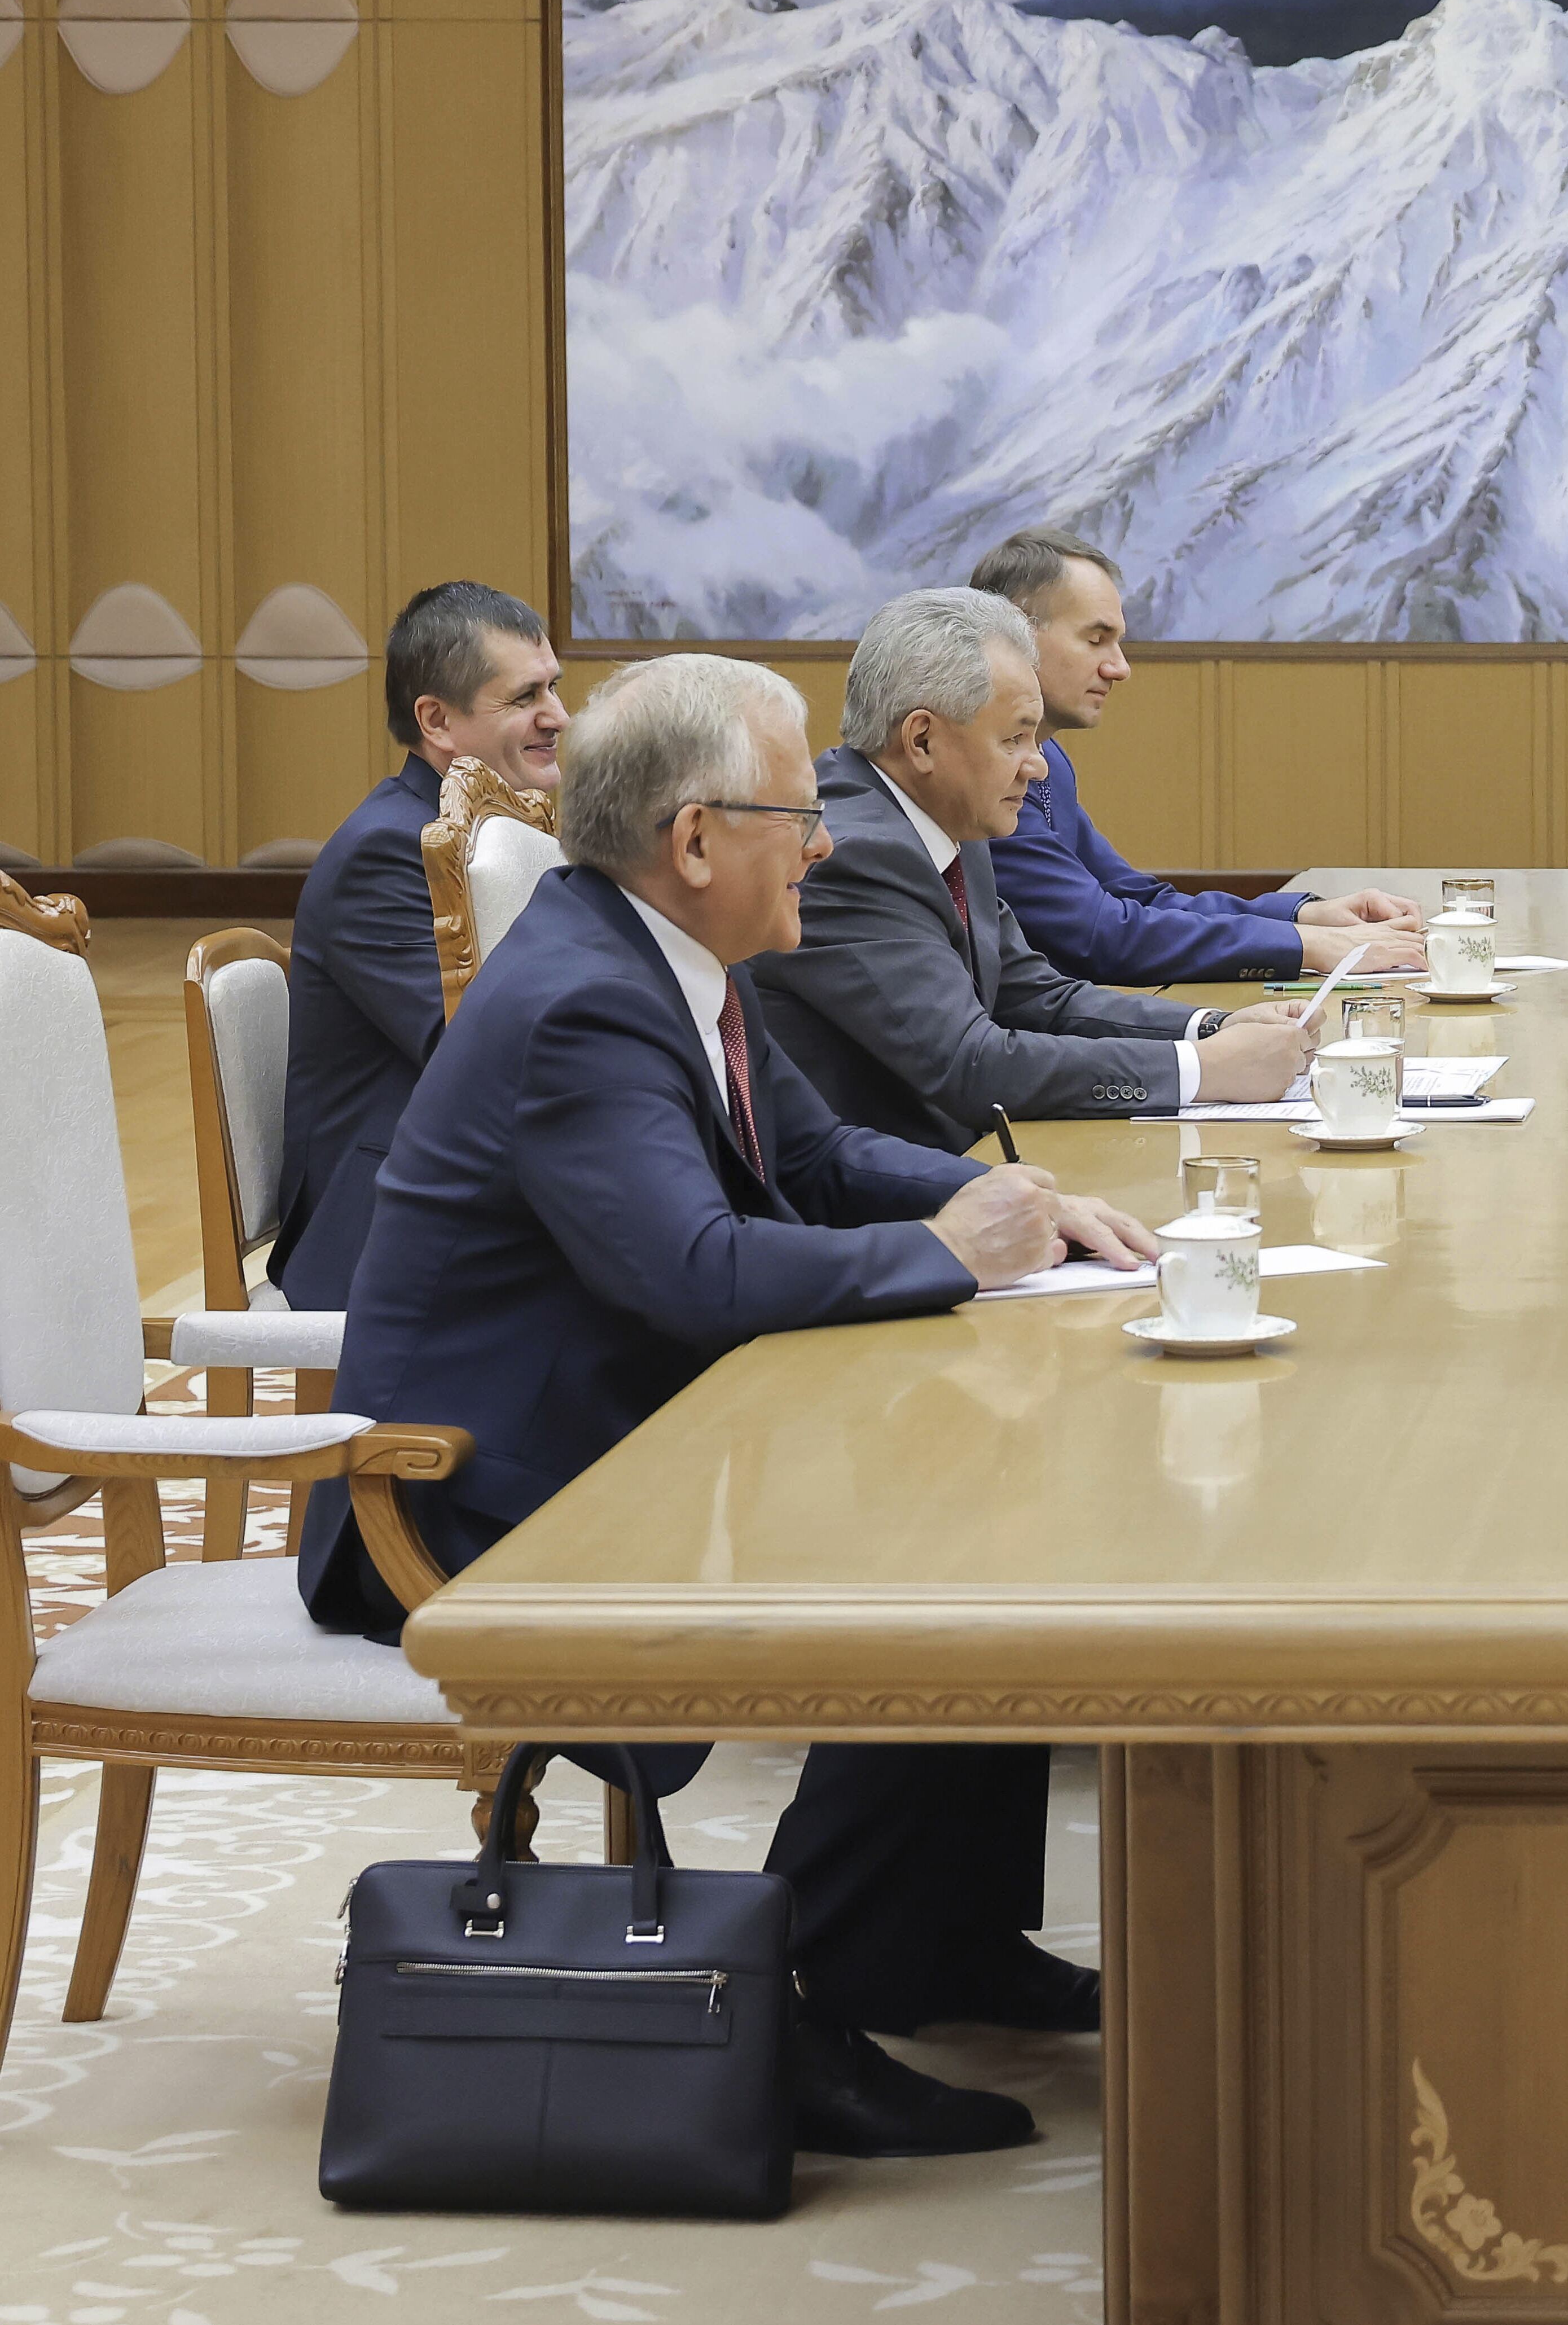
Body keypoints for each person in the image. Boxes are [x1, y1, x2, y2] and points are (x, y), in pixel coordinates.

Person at [302, 653, 1161, 2156]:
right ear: (696, 841)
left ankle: (930, 1942)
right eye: (798, 814)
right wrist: (942, 1256)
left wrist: (1012, 1197)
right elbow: (694, 1273)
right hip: (477, 1499)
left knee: (980, 1496)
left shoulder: (664, 954)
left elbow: (819, 1160)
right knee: (942, 1541)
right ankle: (807, 1991)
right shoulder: (586, 999)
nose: (827, 839)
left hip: (610, 1434)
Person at [750, 587, 1316, 1150]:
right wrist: (1200, 1070)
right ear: (921, 739)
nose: (1038, 764)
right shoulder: (856, 854)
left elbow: (1037, 997)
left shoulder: (948, 820)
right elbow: (972, 1065)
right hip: (885, 1201)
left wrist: (1213, 1030)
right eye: (1015, 738)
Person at [265, 583, 569, 1322]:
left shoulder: (502, 836)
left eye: (554, 687)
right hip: (382, 1220)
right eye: (525, 695)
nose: (558, 715)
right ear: (438, 719)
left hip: (479, 1181)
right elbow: (473, 1049)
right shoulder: (389, 850)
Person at [970, 527, 1425, 985]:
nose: (1120, 668)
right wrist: (1310, 947)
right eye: (1096, 639)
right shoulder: (982, 772)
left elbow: (1136, 897)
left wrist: (1306, 916)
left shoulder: (1049, 762)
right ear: (1016, 634)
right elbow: (1102, 934)